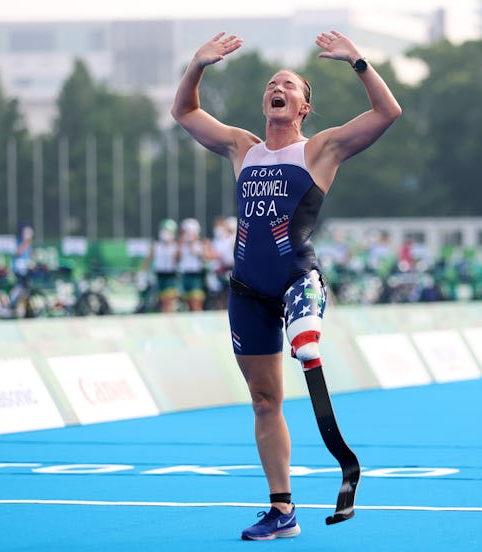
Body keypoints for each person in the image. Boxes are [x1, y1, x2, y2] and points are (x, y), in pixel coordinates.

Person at [171, 30, 401, 540]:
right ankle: (283, 511)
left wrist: (358, 62)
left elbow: (388, 113)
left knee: (304, 331)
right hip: (248, 291)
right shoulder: (242, 148)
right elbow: (184, 113)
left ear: (302, 106)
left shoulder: (320, 149)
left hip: (297, 277)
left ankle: (309, 325)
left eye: (289, 85)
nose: (277, 87)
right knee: (263, 401)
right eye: (272, 84)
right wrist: (198, 66)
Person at [144, 219, 180, 313]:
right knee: (161, 301)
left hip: (170, 275)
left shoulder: (176, 246)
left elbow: (178, 260)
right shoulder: (156, 245)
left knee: (168, 300)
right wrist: (142, 274)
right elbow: (148, 260)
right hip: (159, 275)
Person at [177, 217, 208, 311]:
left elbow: (206, 257)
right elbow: (177, 258)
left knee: (196, 305)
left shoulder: (200, 244)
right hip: (185, 275)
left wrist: (194, 245)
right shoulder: (182, 245)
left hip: (196, 276)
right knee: (188, 306)